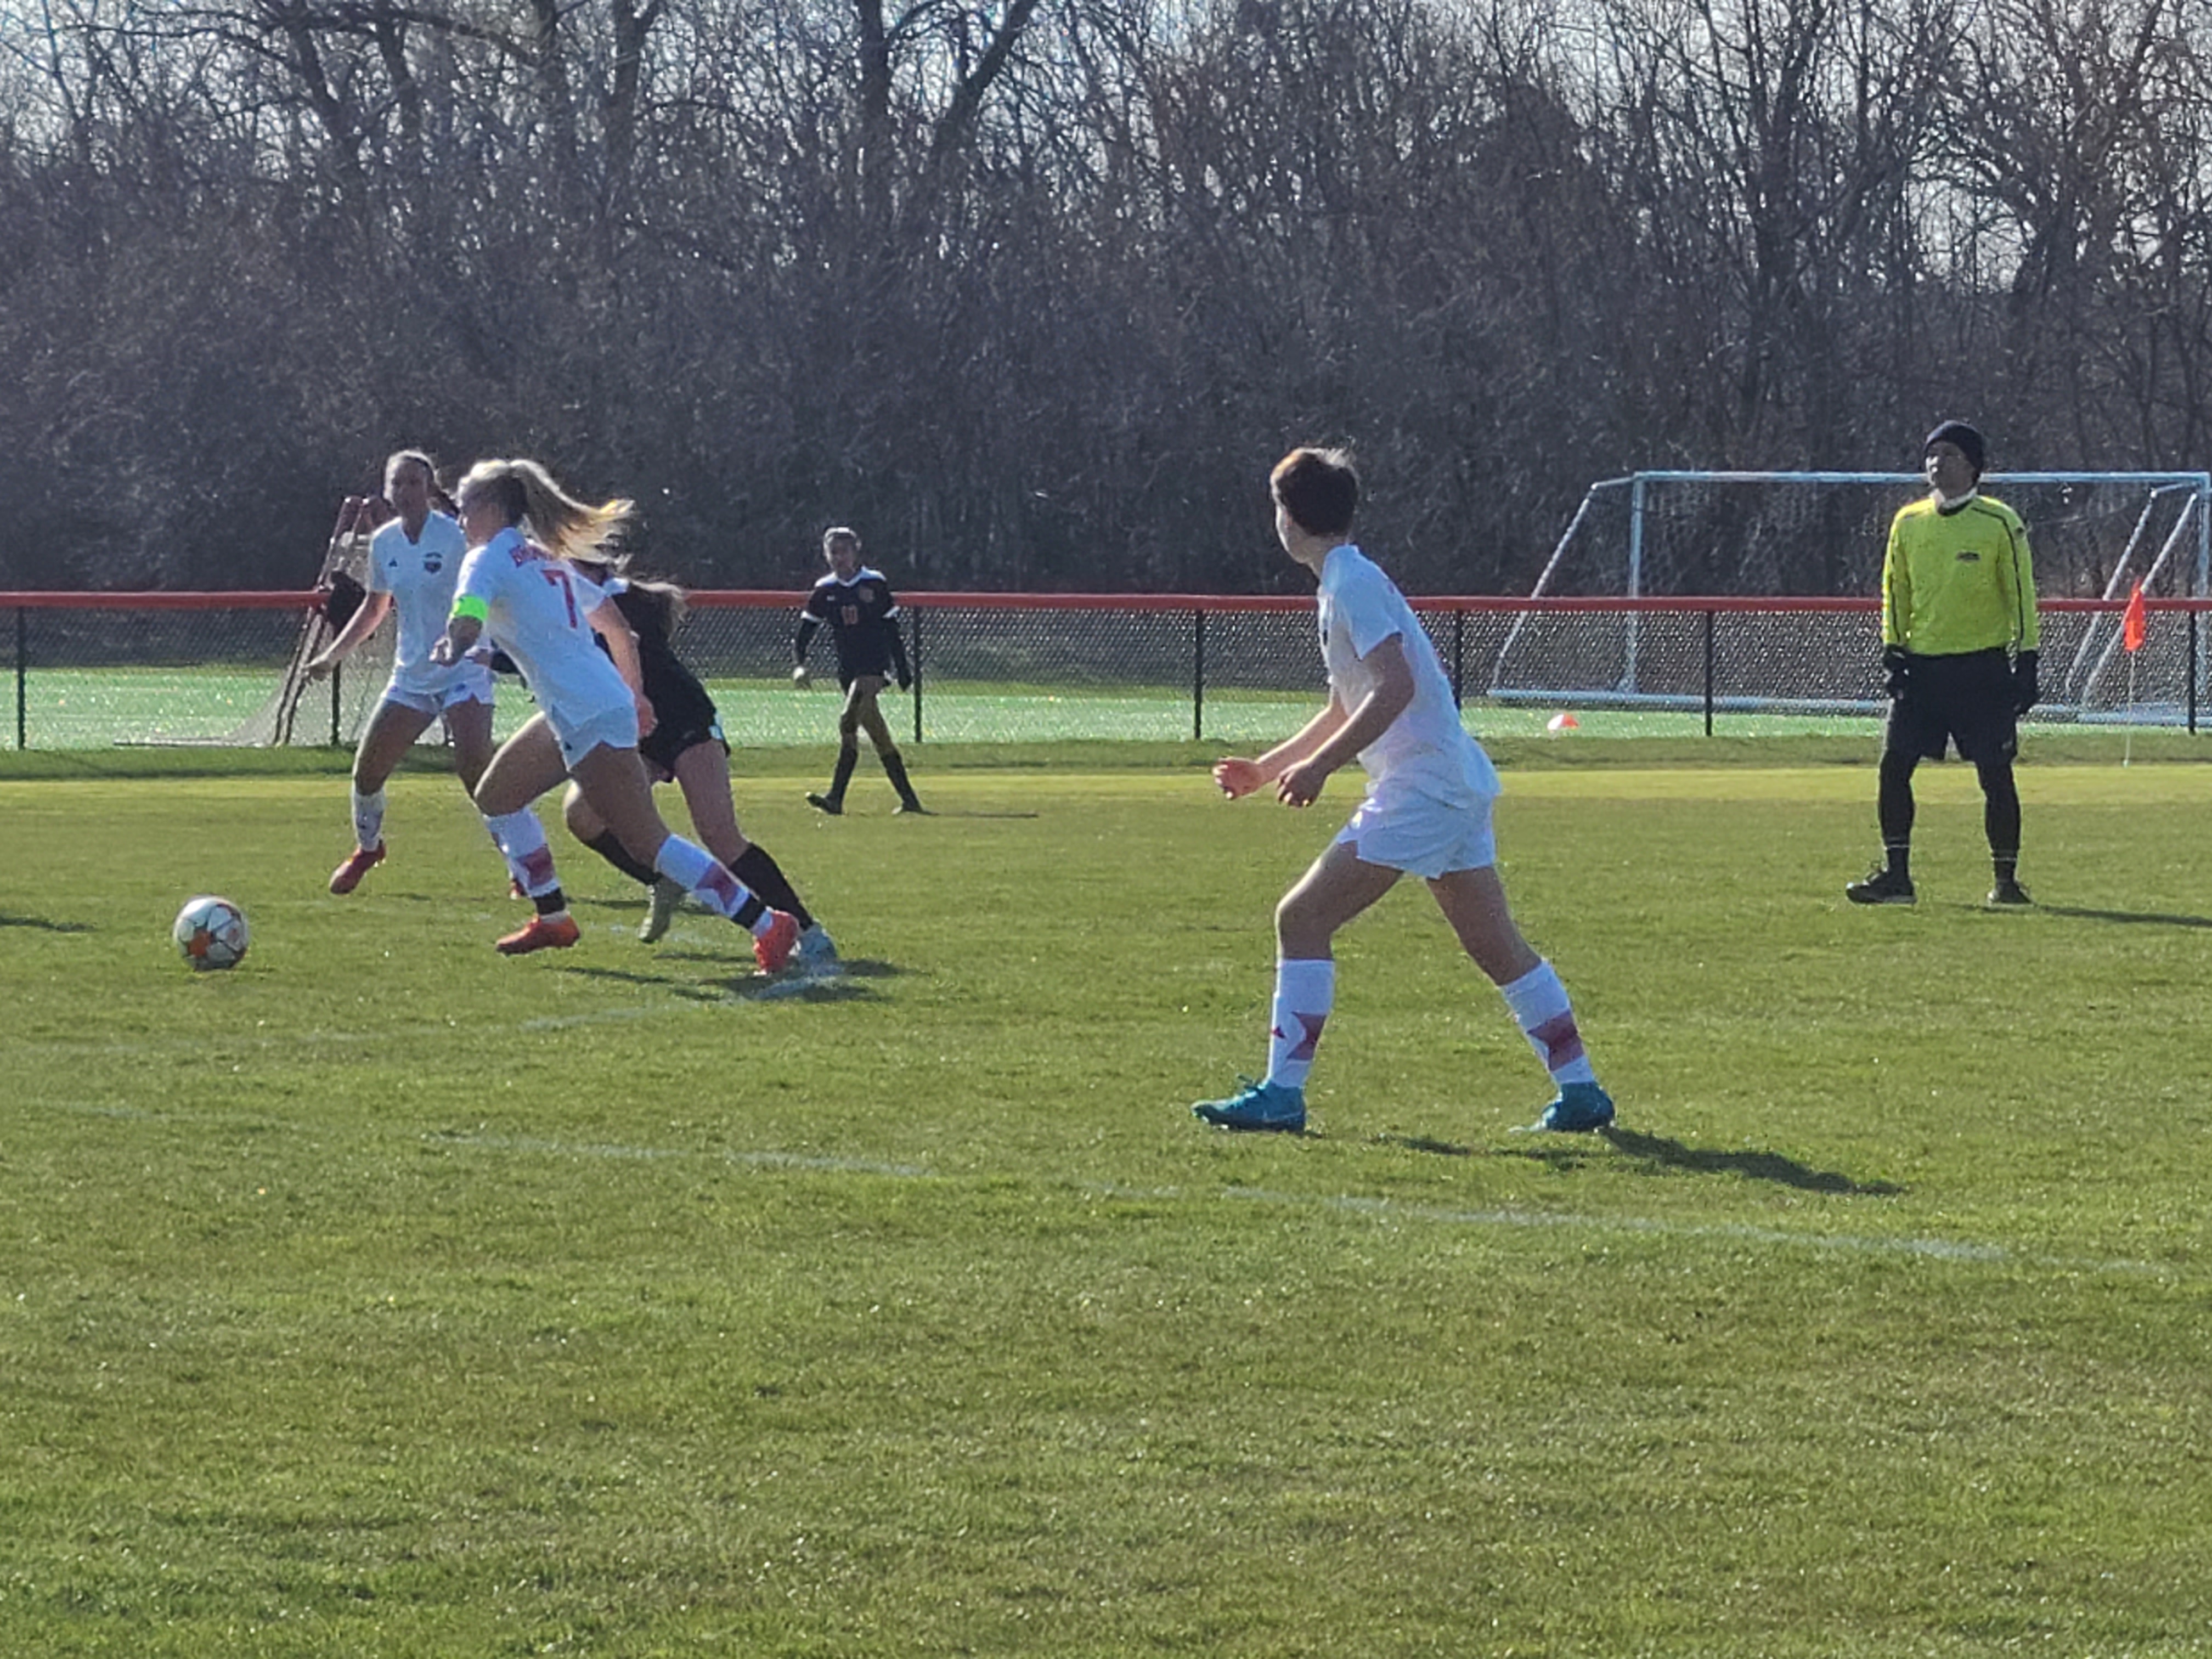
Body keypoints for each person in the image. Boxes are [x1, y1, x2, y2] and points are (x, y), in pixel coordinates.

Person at [1193, 446, 1615, 1136]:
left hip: (1425, 789)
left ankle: (1282, 1094)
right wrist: (1268, 768)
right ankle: (1583, 1091)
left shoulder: (1351, 584)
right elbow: (1345, 702)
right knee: (1496, 946)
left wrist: (1324, 768)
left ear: (1291, 519)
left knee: (1301, 919)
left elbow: (1395, 687)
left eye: (1276, 507)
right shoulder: (1342, 583)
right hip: (1447, 784)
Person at [428, 458, 801, 969]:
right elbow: (615, 627)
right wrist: (634, 697)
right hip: (585, 705)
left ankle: (768, 924)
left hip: (586, 711)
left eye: (465, 506)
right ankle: (554, 917)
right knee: (497, 796)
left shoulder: (486, 560)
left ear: (492, 508)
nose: (460, 519)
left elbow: (467, 616)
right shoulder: (541, 558)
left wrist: (454, 645)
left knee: (648, 840)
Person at [555, 554, 838, 972]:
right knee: (581, 814)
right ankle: (663, 877)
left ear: (591, 568)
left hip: (685, 722)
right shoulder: (571, 608)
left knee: (720, 835)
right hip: (637, 734)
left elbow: (625, 638)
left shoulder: (624, 602)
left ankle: (808, 932)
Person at [1846, 420, 2039, 908]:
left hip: (1981, 670)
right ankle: (1896, 877)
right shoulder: (1908, 523)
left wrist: (2028, 661)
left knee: (1995, 774)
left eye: (1950, 455)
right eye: (1932, 455)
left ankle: (2006, 882)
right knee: (1894, 767)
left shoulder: (2000, 522)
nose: (1938, 463)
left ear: (1974, 466)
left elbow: (2022, 597)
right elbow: (1895, 590)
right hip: (1923, 671)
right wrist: (1893, 648)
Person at [306, 450, 503, 897]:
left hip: (463, 669)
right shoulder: (385, 543)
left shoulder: (456, 538)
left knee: (478, 773)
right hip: (412, 676)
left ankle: (522, 864)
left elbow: (488, 595)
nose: (407, 492)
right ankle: (368, 849)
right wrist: (332, 657)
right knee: (367, 772)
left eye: (415, 483)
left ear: (431, 489)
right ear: (387, 491)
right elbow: (376, 609)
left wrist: (494, 649)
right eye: (399, 484)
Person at [791, 526, 926, 815]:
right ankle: (910, 800)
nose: (839, 558)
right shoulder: (825, 589)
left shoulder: (874, 584)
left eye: (844, 551)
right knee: (878, 735)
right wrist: (800, 665)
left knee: (847, 720)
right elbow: (804, 633)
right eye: (833, 552)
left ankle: (835, 797)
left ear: (856, 552)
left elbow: (892, 630)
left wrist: (902, 669)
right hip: (848, 671)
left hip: (874, 668)